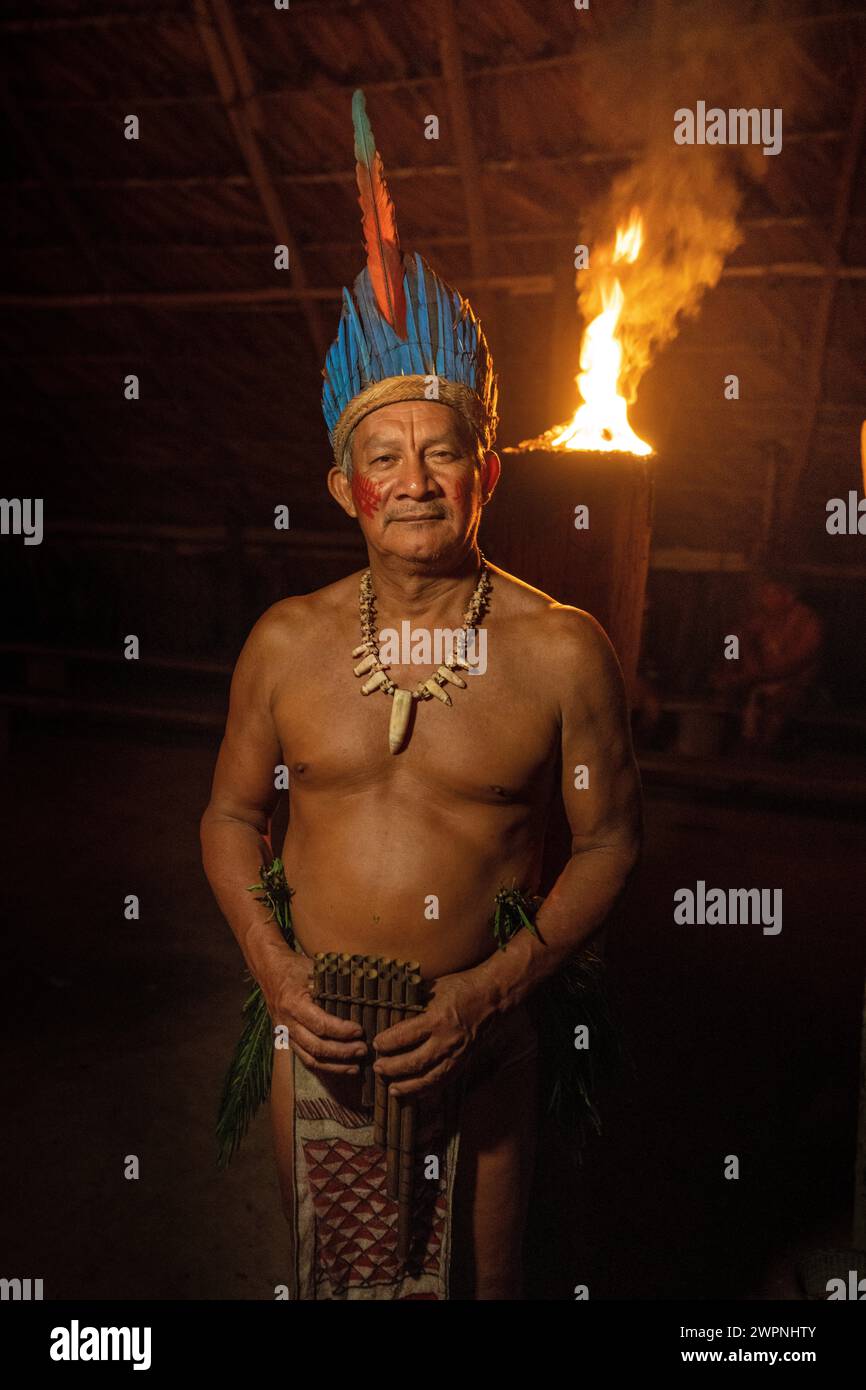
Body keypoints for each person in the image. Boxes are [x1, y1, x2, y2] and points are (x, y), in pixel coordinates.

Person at [200, 90, 642, 1300]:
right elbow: (231, 818)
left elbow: (607, 843)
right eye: (380, 457)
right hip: (320, 1052)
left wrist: (490, 990)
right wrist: (277, 973)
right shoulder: (285, 645)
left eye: (438, 450)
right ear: (343, 486)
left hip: (481, 1055)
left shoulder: (560, 649)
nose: (411, 481)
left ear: (484, 469)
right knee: (335, 1288)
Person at [711, 571, 823, 751]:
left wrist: (754, 676)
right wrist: (730, 666)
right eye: (763, 594)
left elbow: (796, 663)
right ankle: (729, 752)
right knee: (725, 692)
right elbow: (732, 638)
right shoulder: (761, 618)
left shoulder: (808, 622)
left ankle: (765, 754)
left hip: (795, 683)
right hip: (757, 680)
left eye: (770, 594)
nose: (764, 599)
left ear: (789, 596)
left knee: (780, 704)